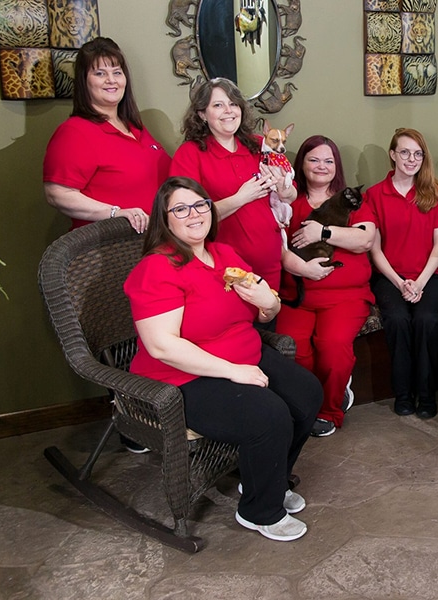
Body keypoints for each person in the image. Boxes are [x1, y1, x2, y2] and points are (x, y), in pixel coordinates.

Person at [123, 176, 321, 542]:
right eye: (180, 209)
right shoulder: (157, 268)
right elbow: (162, 346)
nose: (194, 214)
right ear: (164, 219)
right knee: (270, 415)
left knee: (306, 394)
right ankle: (261, 512)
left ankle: (263, 482)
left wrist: (268, 304)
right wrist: (234, 372)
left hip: (245, 351)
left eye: (200, 205)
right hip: (184, 376)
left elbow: (264, 309)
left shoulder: (225, 254)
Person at [277, 136, 376, 437]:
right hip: (298, 294)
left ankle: (330, 409)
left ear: (337, 167)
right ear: (301, 165)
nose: (322, 166)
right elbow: (277, 248)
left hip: (346, 297)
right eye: (314, 159)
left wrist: (324, 232)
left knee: (332, 347)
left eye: (329, 160)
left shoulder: (350, 201)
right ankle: (305, 404)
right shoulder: (287, 202)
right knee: (293, 348)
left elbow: (365, 240)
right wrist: (304, 268)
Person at [168, 77, 306, 293]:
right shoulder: (190, 154)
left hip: (269, 265)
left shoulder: (260, 144)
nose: (229, 111)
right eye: (218, 105)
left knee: (268, 324)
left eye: (233, 104)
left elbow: (291, 195)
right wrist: (241, 197)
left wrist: (284, 187)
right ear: (202, 114)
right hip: (224, 272)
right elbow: (185, 216)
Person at [366, 128, 438, 418]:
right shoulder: (374, 195)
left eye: (418, 154)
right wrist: (399, 282)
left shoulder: (436, 192)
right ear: (392, 155)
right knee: (397, 319)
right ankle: (403, 394)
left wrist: (418, 283)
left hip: (429, 276)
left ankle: (427, 394)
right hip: (388, 276)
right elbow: (375, 249)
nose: (411, 159)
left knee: (427, 320)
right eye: (404, 152)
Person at [43, 37, 170, 233]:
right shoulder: (75, 132)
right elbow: (57, 194)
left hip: (153, 241)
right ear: (84, 81)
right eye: (100, 73)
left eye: (117, 73)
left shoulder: (136, 127)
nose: (111, 80)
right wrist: (115, 213)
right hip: (109, 248)